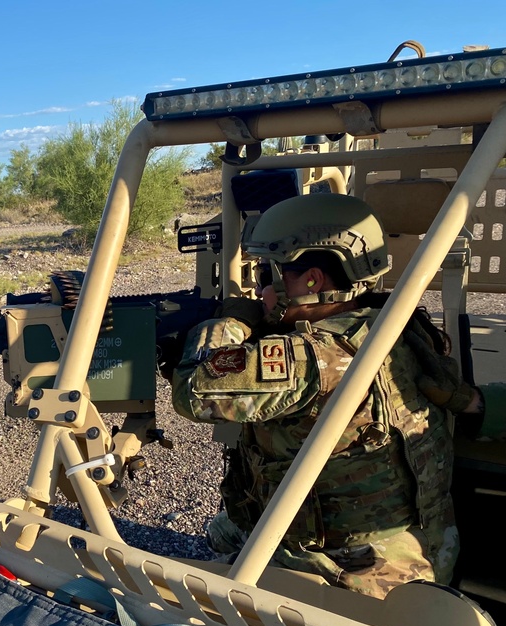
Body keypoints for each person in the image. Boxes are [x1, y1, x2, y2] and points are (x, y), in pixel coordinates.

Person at [166, 192, 482, 599]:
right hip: (429, 544)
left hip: (354, 574)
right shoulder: (395, 323)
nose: (261, 290)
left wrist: (228, 323)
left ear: (312, 280)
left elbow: (192, 392)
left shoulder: (313, 356)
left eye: (268, 275)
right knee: (226, 527)